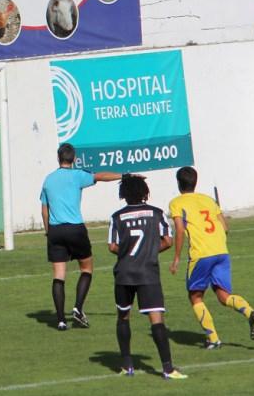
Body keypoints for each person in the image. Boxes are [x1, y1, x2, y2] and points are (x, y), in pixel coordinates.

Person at [168, 166, 254, 349]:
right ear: (195, 182)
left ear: (178, 183)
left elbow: (179, 229)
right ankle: (250, 312)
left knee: (195, 297)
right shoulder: (209, 200)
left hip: (201, 253)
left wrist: (177, 258)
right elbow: (225, 228)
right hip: (221, 251)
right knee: (223, 295)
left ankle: (213, 339)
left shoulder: (176, 203)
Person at [108, 174, 188, 380]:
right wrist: (150, 251)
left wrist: (128, 253)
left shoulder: (116, 217)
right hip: (148, 273)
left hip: (124, 273)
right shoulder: (156, 213)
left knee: (123, 317)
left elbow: (112, 246)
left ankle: (127, 365)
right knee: (156, 320)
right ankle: (168, 368)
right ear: (145, 192)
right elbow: (168, 241)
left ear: (123, 194)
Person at [40, 142, 121, 331]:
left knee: (59, 274)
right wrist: (123, 176)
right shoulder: (77, 175)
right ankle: (77, 307)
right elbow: (100, 176)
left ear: (58, 158)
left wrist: (48, 231)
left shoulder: (48, 180)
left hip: (55, 231)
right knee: (86, 268)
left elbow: (44, 210)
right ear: (74, 159)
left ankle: (60, 320)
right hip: (75, 229)